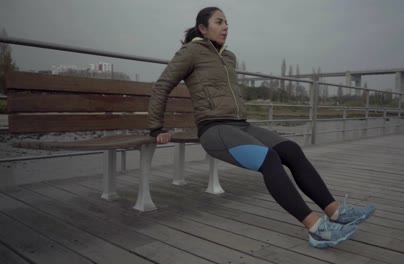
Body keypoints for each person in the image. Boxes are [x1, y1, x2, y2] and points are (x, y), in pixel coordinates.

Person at [148, 7, 375, 248]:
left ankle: (335, 212)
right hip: (213, 130)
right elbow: (162, 85)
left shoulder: (228, 57)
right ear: (203, 28)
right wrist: (155, 128)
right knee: (269, 159)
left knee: (291, 150)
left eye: (227, 22)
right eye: (219, 22)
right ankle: (316, 229)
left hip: (240, 125)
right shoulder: (191, 51)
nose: (226, 26)